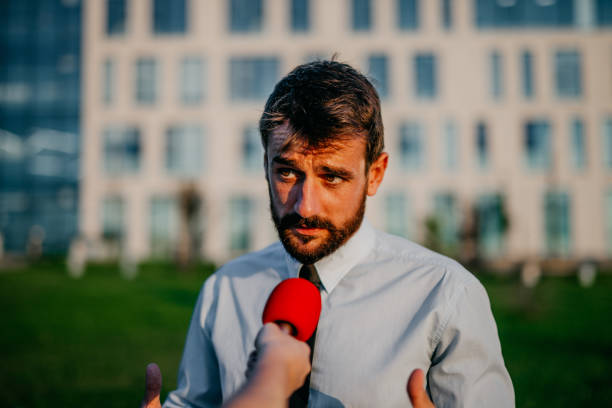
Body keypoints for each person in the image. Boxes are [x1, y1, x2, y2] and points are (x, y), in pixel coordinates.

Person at [156, 60, 514, 407]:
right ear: (264, 164)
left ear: (375, 174)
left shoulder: (446, 296)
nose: (304, 207)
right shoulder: (225, 288)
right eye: (287, 173)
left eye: (332, 177)